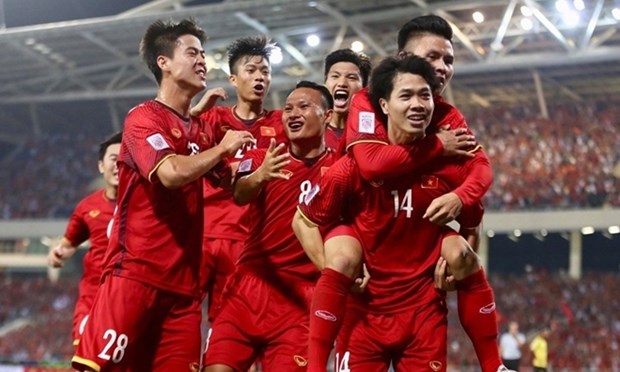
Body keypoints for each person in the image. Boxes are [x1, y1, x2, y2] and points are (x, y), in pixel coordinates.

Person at [299, 14, 505, 372]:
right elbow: (372, 165)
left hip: (419, 304)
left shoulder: (447, 117)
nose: (441, 69)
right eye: (431, 59)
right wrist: (436, 146)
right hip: (366, 291)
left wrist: (460, 202)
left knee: (460, 249)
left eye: (448, 61)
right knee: (343, 254)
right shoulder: (366, 103)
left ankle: (495, 366)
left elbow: (480, 173)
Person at [71, 18, 254, 371]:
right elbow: (170, 174)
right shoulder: (143, 118)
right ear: (164, 62)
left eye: (203, 54)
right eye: (192, 52)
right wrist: (222, 148)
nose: (202, 60)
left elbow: (230, 182)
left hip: (184, 292)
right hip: (135, 275)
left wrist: (263, 160)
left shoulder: (198, 130)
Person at [202, 81, 337, 371]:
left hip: (301, 298)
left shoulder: (341, 169)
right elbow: (239, 193)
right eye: (288, 108)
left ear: (327, 116)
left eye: (304, 106)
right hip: (249, 287)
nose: (292, 114)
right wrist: (261, 176)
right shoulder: (266, 156)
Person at [190, 35, 288, 329]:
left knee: (226, 325)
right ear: (233, 78)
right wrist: (194, 112)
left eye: (265, 71)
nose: (260, 77)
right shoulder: (212, 118)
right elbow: (172, 145)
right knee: (180, 314)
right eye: (251, 70)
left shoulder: (281, 124)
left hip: (246, 242)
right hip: (202, 235)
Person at [47, 131, 122, 347]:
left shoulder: (145, 205)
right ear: (101, 166)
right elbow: (68, 244)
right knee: (85, 360)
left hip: (127, 298)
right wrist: (57, 254)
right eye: (113, 159)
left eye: (124, 160)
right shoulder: (87, 207)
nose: (118, 165)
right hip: (93, 298)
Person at [322, 48, 371, 153]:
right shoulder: (312, 131)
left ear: (364, 89)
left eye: (352, 78)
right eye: (335, 76)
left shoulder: (371, 134)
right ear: (325, 85)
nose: (342, 83)